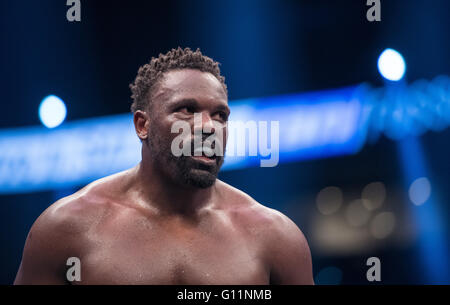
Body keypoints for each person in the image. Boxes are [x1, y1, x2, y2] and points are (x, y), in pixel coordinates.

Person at [14, 47, 314, 285]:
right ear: (143, 125)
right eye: (187, 110)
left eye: (220, 115)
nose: (208, 126)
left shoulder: (275, 237)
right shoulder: (67, 228)